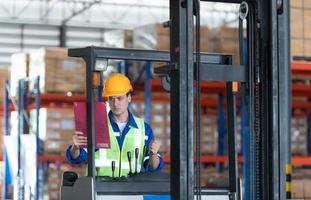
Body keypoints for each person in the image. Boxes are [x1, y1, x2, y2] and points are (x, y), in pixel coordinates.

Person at [66, 73, 164, 177]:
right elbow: (77, 158)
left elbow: (153, 168)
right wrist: (76, 147)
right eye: (111, 98)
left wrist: (153, 153)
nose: (115, 103)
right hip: (100, 190)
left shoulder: (144, 129)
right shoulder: (96, 125)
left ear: (129, 98)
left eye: (119, 98)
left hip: (131, 191)